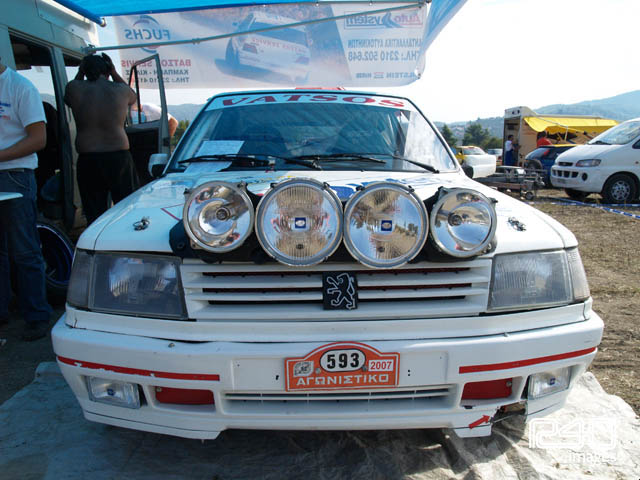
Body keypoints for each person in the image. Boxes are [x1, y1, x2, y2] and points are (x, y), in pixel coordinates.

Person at [0, 58, 52, 341]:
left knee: (24, 249)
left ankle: (37, 315)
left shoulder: (20, 87)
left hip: (15, 175)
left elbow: (38, 139)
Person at [64, 53, 139, 225]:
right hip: (118, 156)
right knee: (126, 207)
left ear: (84, 70)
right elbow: (133, 97)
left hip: (88, 158)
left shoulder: (74, 88)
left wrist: (81, 72)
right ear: (107, 70)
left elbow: (68, 99)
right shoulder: (120, 90)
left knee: (94, 212)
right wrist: (114, 72)